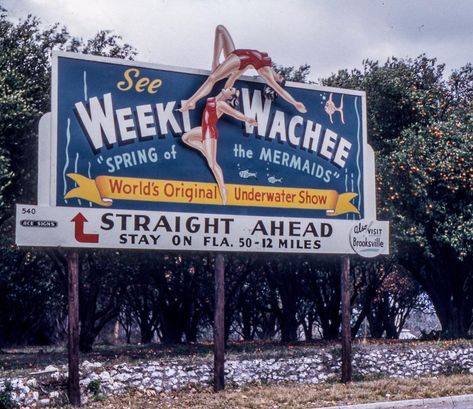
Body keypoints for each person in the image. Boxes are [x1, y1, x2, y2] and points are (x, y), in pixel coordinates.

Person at [179, 25, 306, 114]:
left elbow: (280, 91)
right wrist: (227, 88)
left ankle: (192, 101)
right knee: (220, 29)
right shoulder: (252, 66)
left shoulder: (265, 71)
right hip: (236, 55)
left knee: (212, 78)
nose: (280, 75)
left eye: (281, 78)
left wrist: (295, 103)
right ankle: (215, 63)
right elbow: (232, 79)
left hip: (238, 58)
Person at [182, 87, 257, 205]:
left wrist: (248, 119)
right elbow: (216, 82)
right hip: (203, 129)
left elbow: (235, 114)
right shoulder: (215, 99)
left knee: (212, 164)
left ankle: (222, 188)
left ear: (229, 97)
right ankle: (205, 150)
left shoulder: (221, 104)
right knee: (185, 138)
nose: (228, 87)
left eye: (231, 89)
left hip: (209, 133)